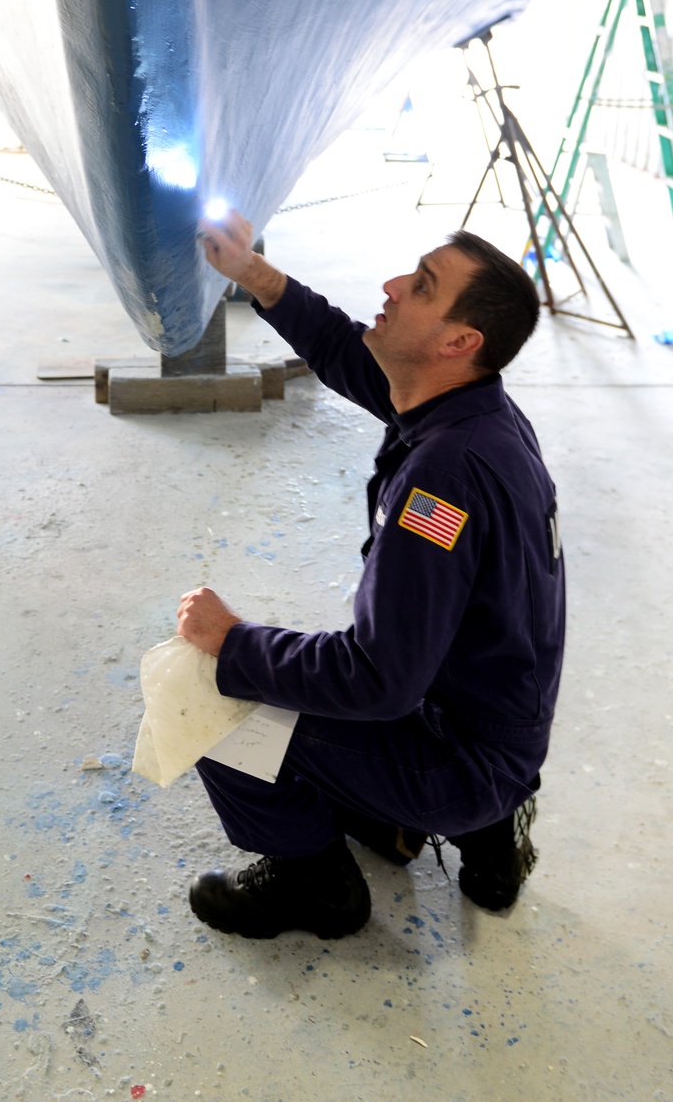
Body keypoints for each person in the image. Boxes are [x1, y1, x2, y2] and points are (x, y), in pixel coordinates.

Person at [176, 210, 565, 941]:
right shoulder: (471, 409)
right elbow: (339, 347)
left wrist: (233, 643)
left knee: (208, 697)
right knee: (301, 693)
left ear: (458, 341)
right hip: (497, 717)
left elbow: (378, 677)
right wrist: (251, 271)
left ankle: (315, 886)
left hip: (458, 751)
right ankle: (484, 830)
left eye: (420, 286)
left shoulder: (442, 484)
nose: (390, 285)